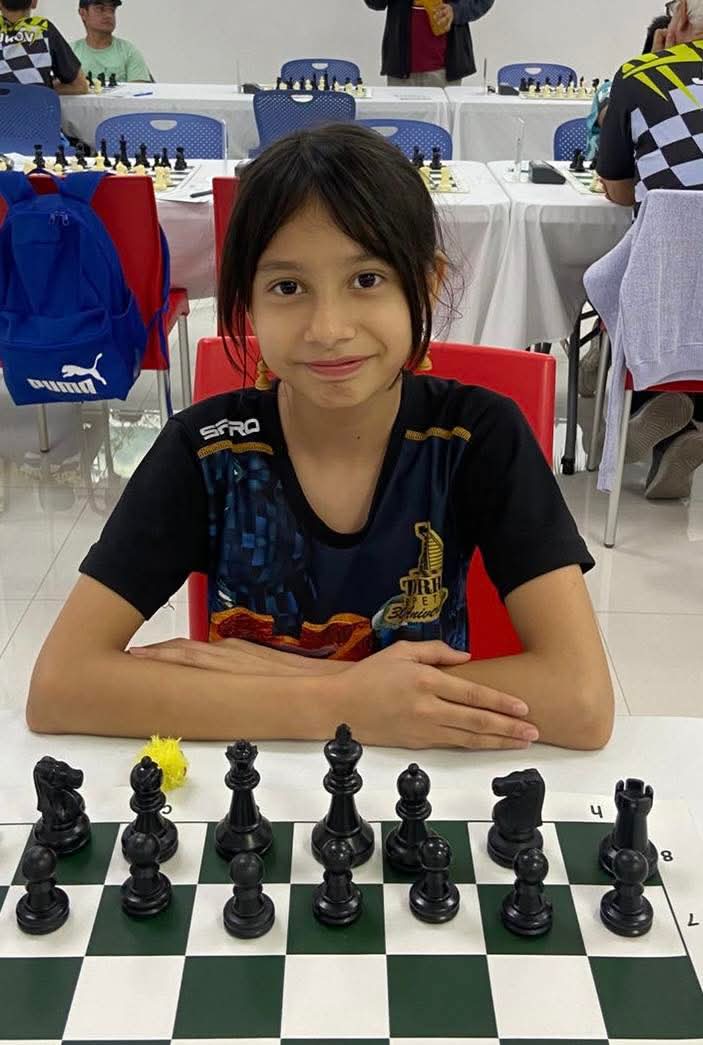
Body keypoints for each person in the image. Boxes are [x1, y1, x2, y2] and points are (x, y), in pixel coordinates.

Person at [26, 123, 613, 752]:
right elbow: (60, 687)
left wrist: (303, 680)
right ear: (246, 302)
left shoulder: (478, 436)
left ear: (427, 284)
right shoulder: (207, 450)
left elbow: (581, 702)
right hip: (260, 780)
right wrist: (346, 701)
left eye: (367, 280)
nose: (328, 329)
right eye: (288, 287)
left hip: (416, 780)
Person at [595, 0, 703, 498]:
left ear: (678, 18)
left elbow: (619, 191)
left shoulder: (641, 75)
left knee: (621, 281)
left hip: (664, 284)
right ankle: (681, 423)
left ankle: (651, 400)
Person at [364, 0, 494, 87]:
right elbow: (375, 3)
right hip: (400, 68)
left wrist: (456, 11)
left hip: (446, 70)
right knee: (401, 120)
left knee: (443, 122)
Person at [0, 0, 87, 93]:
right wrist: (43, 88)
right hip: (35, 102)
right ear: (34, 2)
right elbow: (80, 86)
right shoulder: (44, 29)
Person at [72, 0, 151, 84]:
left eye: (112, 10)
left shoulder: (129, 51)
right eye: (100, 9)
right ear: (83, 13)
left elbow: (140, 89)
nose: (108, 15)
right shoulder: (70, 52)